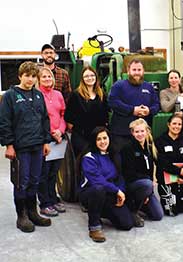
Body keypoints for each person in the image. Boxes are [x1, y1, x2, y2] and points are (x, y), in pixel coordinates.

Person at [0, 61, 52, 233]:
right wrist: (9, 145)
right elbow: (5, 122)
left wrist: (46, 141)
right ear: (20, 76)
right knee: (21, 182)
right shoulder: (10, 95)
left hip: (37, 146)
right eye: (27, 76)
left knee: (34, 180)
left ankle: (32, 212)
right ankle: (21, 215)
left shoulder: (38, 95)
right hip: (20, 147)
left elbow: (45, 119)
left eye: (33, 76)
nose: (30, 80)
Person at [79, 127, 133, 242]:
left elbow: (119, 176)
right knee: (99, 189)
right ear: (94, 141)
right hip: (91, 193)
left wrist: (121, 191)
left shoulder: (113, 154)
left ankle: (103, 211)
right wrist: (117, 191)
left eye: (105, 138)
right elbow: (97, 180)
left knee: (126, 224)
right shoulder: (89, 158)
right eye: (99, 139)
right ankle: (94, 226)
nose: (103, 141)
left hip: (110, 192)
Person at [109, 59, 160, 152]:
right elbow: (113, 102)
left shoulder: (149, 87)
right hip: (122, 135)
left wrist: (149, 110)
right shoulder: (118, 85)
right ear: (128, 71)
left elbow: (157, 104)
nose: (137, 73)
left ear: (143, 71)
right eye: (134, 70)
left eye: (139, 70)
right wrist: (132, 110)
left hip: (142, 136)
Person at [121, 118, 163, 226]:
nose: (140, 134)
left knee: (158, 215)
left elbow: (155, 167)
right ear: (132, 133)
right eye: (137, 132)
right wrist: (148, 186)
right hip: (133, 184)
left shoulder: (149, 147)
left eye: (142, 131)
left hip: (146, 186)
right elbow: (129, 173)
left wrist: (149, 191)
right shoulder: (128, 148)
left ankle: (142, 202)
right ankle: (133, 209)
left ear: (147, 131)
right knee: (147, 184)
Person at [37, 67, 67, 216]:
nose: (47, 79)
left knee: (54, 172)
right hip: (45, 138)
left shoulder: (58, 94)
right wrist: (50, 134)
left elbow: (62, 115)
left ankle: (53, 198)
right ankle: (45, 202)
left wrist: (60, 131)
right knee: (44, 172)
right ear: (39, 80)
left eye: (49, 76)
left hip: (58, 137)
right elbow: (39, 119)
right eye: (44, 77)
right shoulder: (37, 95)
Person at [155, 113, 183, 216]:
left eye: (179, 124)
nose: (176, 126)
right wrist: (178, 171)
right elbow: (161, 162)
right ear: (168, 125)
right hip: (168, 178)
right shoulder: (160, 141)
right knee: (171, 211)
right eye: (174, 123)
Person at [64, 66, 108, 157]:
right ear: (82, 79)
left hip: (98, 137)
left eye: (92, 75)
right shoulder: (76, 95)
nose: (90, 78)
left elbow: (105, 114)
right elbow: (69, 117)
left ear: (96, 77)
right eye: (86, 76)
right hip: (81, 137)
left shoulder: (101, 94)